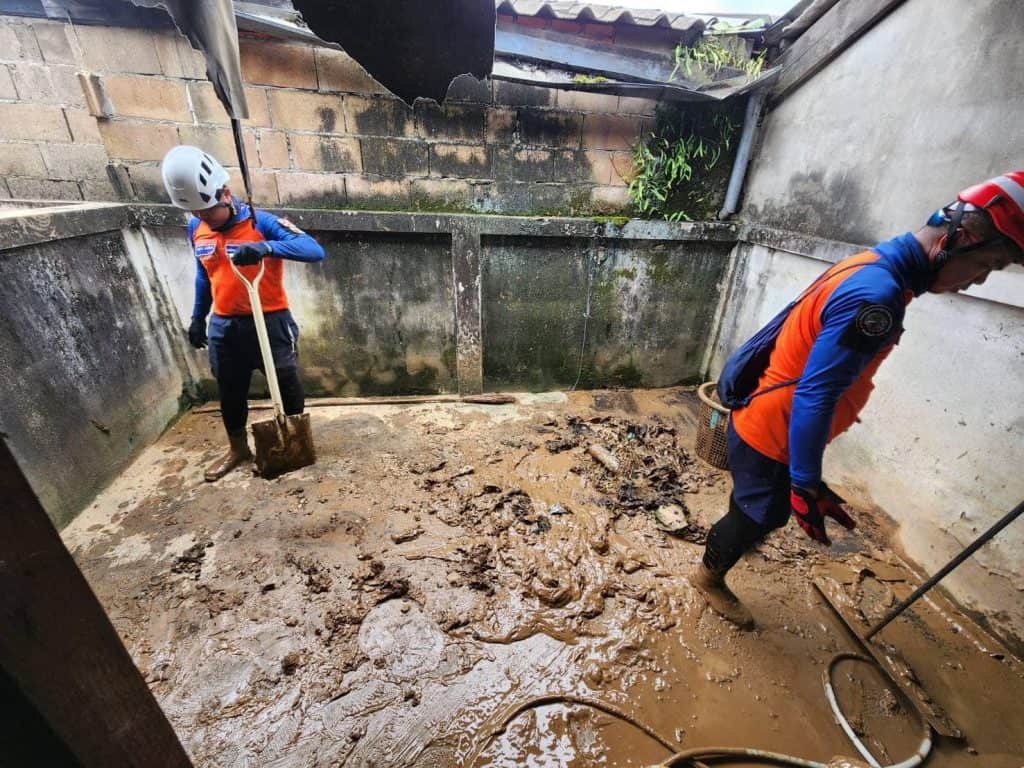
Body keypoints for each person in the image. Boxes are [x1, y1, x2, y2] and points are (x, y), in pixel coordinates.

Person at [692, 172, 1024, 628]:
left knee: (756, 503)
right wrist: (805, 483)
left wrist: (806, 480)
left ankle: (741, 530)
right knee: (761, 513)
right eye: (989, 264)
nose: (981, 281)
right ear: (959, 239)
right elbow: (816, 392)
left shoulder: (873, 263)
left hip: (771, 420)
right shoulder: (879, 297)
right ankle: (708, 577)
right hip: (774, 433)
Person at [161, 146, 326, 482]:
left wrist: (267, 247)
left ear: (225, 194)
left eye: (208, 211)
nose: (203, 219)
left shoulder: (261, 222)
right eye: (196, 213)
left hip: (270, 320)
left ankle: (292, 441)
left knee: (287, 382)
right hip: (224, 325)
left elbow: (314, 250)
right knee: (230, 391)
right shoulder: (197, 228)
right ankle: (238, 449)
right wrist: (198, 317)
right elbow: (203, 275)